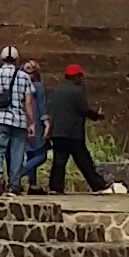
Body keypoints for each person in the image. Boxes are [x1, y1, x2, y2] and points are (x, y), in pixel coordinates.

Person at [0, 48, 42, 195]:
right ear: (16, 59)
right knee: (17, 153)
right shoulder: (24, 77)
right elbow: (28, 102)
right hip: (19, 120)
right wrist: (31, 122)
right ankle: (14, 184)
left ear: (1, 59)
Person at [39, 64, 103, 194]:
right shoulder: (76, 91)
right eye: (80, 76)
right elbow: (84, 110)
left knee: (59, 161)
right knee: (83, 160)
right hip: (72, 132)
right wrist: (97, 116)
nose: (82, 79)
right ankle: (98, 185)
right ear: (75, 77)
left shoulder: (58, 90)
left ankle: (55, 187)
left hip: (58, 132)